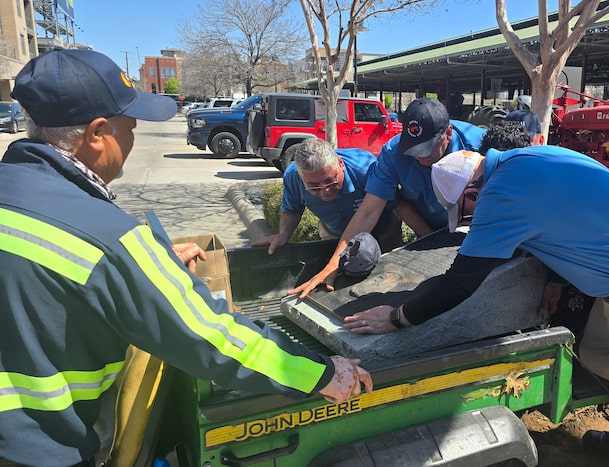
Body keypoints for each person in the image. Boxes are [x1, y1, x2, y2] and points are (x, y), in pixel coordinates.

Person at [0, 48, 372, 466]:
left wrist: (139, 268)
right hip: (37, 452)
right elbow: (210, 335)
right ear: (98, 133)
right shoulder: (105, 238)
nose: (133, 139)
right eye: (131, 127)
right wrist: (321, 373)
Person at [342, 142, 609, 465]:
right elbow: (578, 220)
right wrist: (556, 280)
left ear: (473, 192)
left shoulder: (502, 194)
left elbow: (460, 281)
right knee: (599, 360)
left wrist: (397, 317)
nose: (473, 218)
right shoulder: (532, 156)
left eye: (468, 211)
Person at [288, 97, 485, 299]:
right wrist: (333, 264)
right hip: (430, 229)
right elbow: (369, 211)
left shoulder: (481, 144)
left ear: (448, 134)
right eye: (414, 150)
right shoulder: (393, 154)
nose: (420, 158)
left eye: (428, 150)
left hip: (479, 230)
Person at [251, 138, 403, 253]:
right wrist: (283, 234)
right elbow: (292, 210)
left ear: (340, 164)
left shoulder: (366, 168)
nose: (325, 191)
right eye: (314, 186)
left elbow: (400, 206)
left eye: (330, 181)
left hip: (383, 230)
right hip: (333, 234)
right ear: (301, 177)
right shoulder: (293, 177)